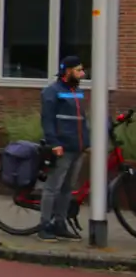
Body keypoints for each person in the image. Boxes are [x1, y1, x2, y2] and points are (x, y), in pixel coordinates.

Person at [38, 55, 89, 242]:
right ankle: (44, 225)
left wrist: (87, 142)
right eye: (79, 70)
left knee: (67, 188)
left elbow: (81, 120)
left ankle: (60, 223)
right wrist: (54, 143)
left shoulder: (76, 92)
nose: (82, 74)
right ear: (68, 72)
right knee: (53, 187)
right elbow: (47, 120)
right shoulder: (52, 92)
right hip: (62, 147)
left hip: (77, 147)